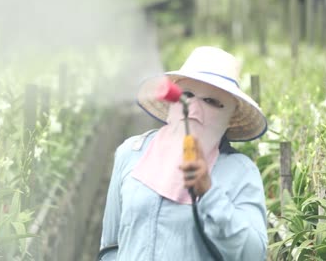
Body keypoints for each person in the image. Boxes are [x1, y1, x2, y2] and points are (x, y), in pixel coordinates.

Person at [98, 46, 268, 261]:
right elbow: (110, 246)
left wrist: (210, 194)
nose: (194, 111)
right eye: (187, 95)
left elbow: (253, 255)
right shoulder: (132, 153)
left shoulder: (240, 172)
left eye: (212, 102)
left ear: (230, 117)